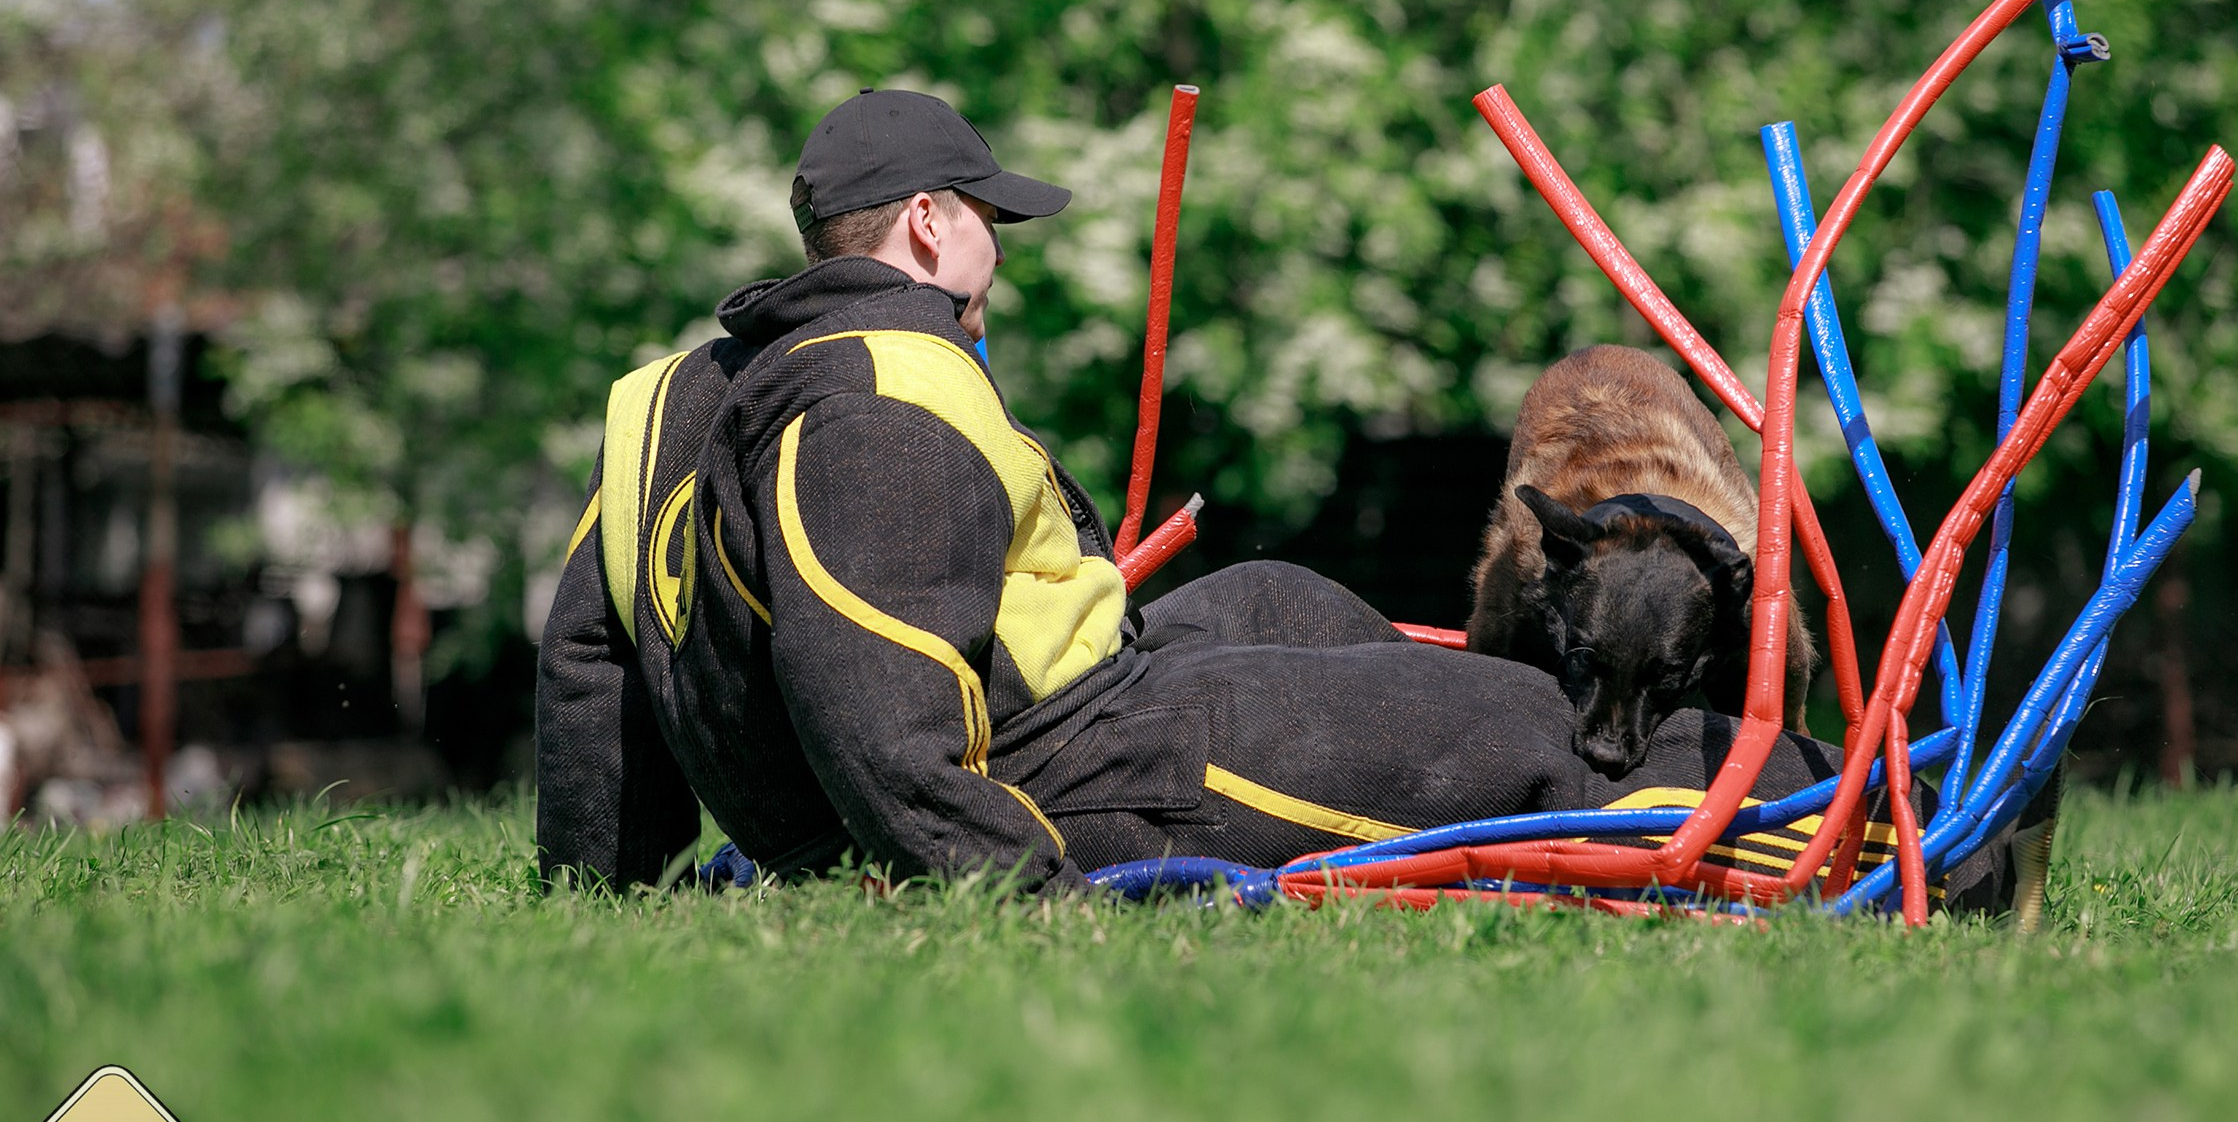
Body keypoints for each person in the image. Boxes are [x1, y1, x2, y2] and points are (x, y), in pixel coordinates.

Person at [538, 89, 1985, 903]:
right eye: (989, 221)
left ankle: (1384, 722)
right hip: (1067, 770)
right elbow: (877, 708)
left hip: (1077, 694)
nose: (1003, 252)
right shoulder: (880, 403)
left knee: (1289, 597)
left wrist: (594, 881)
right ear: (925, 223)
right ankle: (1910, 829)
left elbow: (590, 663)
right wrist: (1019, 894)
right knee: (1522, 725)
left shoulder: (683, 393)